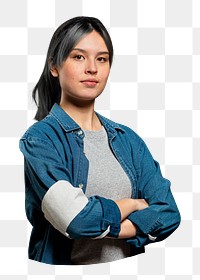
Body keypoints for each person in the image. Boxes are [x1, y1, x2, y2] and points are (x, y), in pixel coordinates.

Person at [19, 16, 181, 265]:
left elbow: (169, 212)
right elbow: (76, 220)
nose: (92, 68)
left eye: (102, 59)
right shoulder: (40, 140)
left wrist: (114, 227)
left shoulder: (127, 140)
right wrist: (133, 204)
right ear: (54, 66)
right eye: (78, 57)